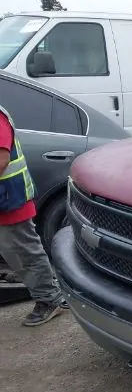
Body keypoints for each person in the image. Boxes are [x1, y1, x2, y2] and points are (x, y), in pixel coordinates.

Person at [0, 104, 68, 326]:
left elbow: (1, 159)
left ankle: (50, 299)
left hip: (10, 200)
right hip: (7, 199)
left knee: (25, 252)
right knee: (18, 252)